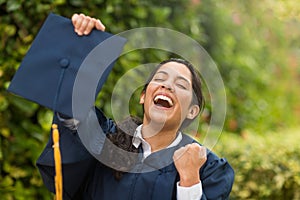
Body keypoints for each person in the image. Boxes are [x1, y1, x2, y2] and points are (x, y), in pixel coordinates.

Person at [36, 13, 234, 200]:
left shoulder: (207, 167)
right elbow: (72, 106)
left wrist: (190, 180)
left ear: (193, 110)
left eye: (181, 85)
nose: (167, 85)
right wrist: (85, 42)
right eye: (160, 78)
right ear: (143, 96)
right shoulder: (105, 139)